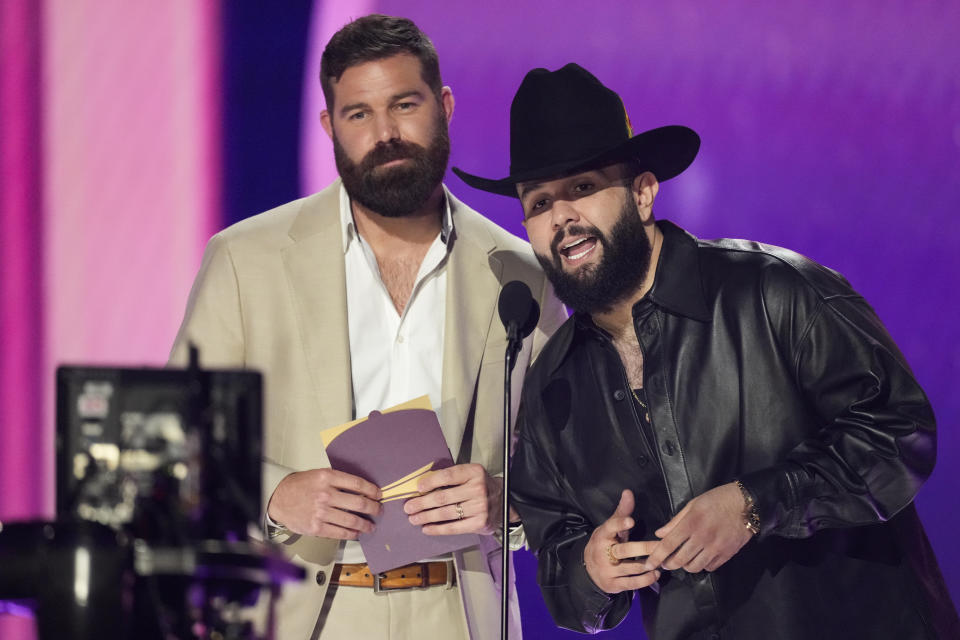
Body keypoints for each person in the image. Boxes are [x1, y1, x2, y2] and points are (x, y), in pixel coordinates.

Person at [453, 63, 959, 639]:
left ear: (643, 192)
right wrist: (593, 569)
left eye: (584, 188)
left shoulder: (775, 292)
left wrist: (754, 504)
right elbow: (562, 572)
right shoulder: (554, 383)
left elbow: (900, 434)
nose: (561, 217)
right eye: (539, 203)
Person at [170, 15, 565, 640]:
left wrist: (503, 501)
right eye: (358, 115)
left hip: (460, 615)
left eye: (404, 105)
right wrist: (275, 497)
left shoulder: (518, 274)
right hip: (302, 613)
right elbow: (174, 442)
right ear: (329, 127)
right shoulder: (245, 260)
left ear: (444, 106)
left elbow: (566, 463)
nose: (385, 134)